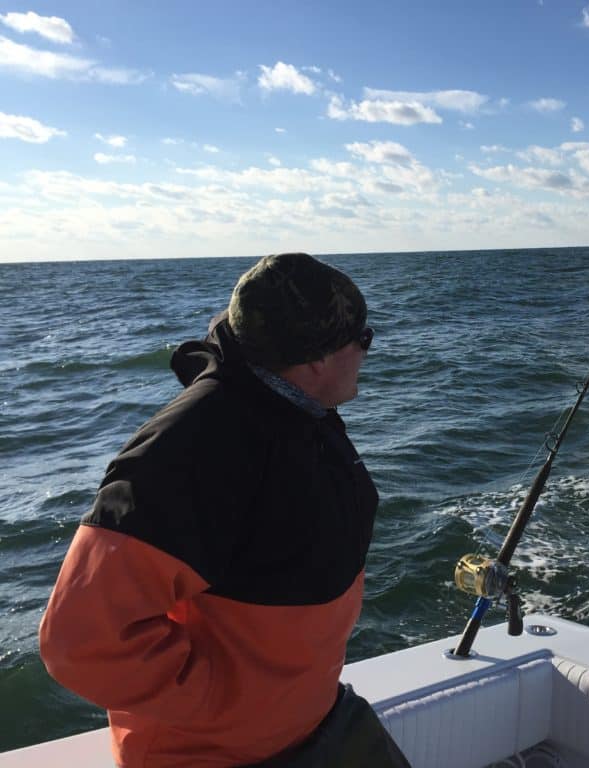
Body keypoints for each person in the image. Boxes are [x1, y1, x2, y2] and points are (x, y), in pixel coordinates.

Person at [38, 253, 410, 767]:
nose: (368, 353)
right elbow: (79, 639)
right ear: (315, 360)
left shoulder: (297, 409)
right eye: (362, 339)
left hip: (316, 717)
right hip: (220, 753)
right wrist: (224, 703)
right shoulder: (192, 447)